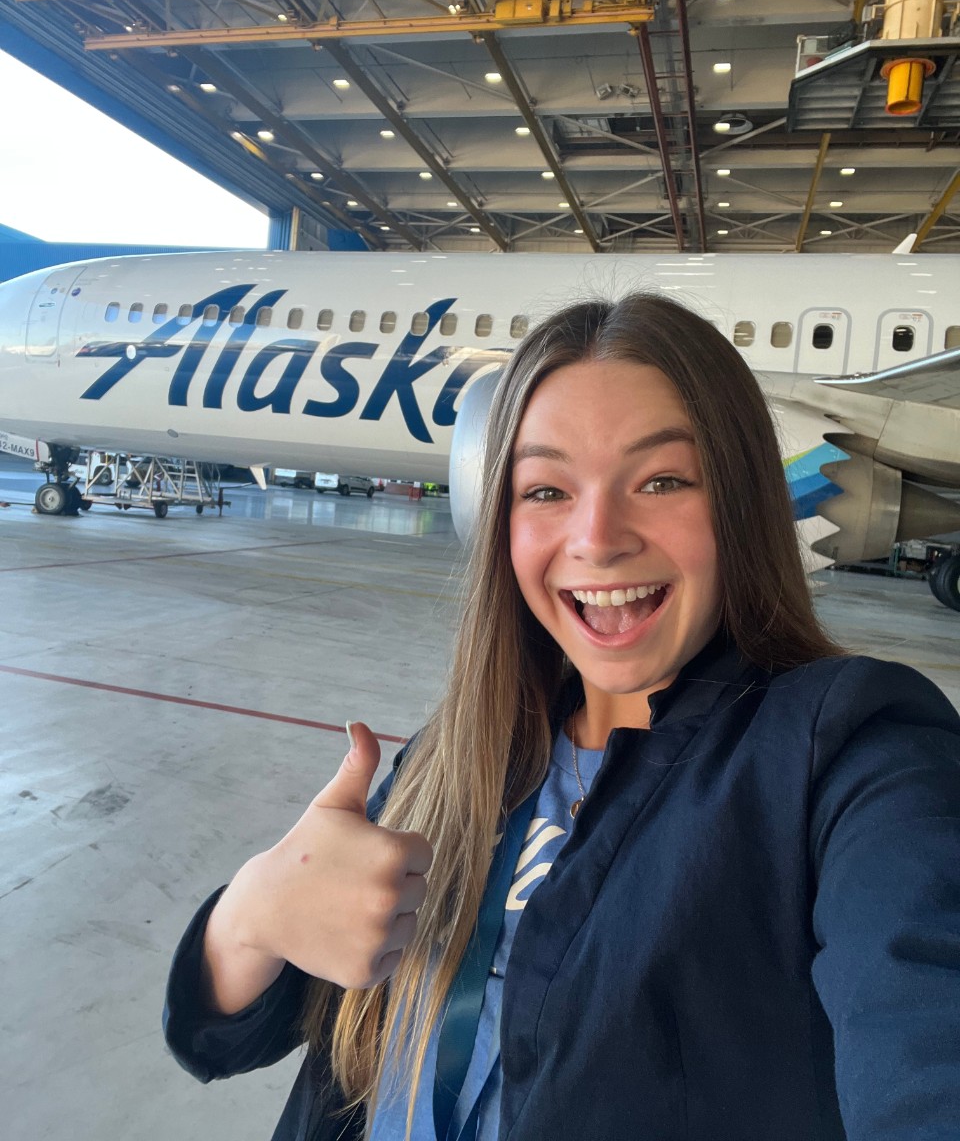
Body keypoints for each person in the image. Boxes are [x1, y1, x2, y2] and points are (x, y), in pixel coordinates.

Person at [164, 293, 960, 1141]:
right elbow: (218, 1038)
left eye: (662, 480)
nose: (598, 537)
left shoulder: (846, 753)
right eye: (545, 489)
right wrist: (251, 915)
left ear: (739, 503)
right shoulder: (456, 758)